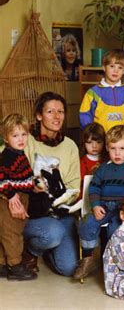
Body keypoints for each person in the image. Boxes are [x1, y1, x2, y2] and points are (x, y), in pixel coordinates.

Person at [74, 125, 124, 280]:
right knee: (87, 223)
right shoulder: (103, 169)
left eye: (122, 148)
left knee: (115, 231)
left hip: (123, 211)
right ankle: (89, 258)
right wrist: (95, 206)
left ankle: (112, 262)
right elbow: (94, 188)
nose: (117, 153)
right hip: (104, 208)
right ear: (107, 147)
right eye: (113, 148)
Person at [23, 92, 80, 277]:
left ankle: (48, 248)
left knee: (69, 268)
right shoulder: (25, 140)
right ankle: (31, 251)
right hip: (34, 210)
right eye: (50, 111)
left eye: (61, 112)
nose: (57, 116)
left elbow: (74, 185)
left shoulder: (70, 145)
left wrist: (60, 202)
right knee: (53, 233)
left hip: (61, 211)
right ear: (39, 115)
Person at [0, 114, 37, 280]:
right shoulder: (8, 156)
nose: (20, 139)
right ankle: (15, 265)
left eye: (24, 134)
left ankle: (1, 264)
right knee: (12, 232)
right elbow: (1, 177)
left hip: (21, 195)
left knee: (6, 231)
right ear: (6, 138)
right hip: (11, 199)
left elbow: (21, 176)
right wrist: (12, 195)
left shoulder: (19, 153)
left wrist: (32, 185)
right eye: (15, 135)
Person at [79, 49, 124, 132]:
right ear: (104, 67)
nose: (116, 71)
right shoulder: (93, 93)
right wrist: (92, 133)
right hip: (100, 138)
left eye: (120, 67)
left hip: (123, 139)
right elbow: (85, 114)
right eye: (112, 66)